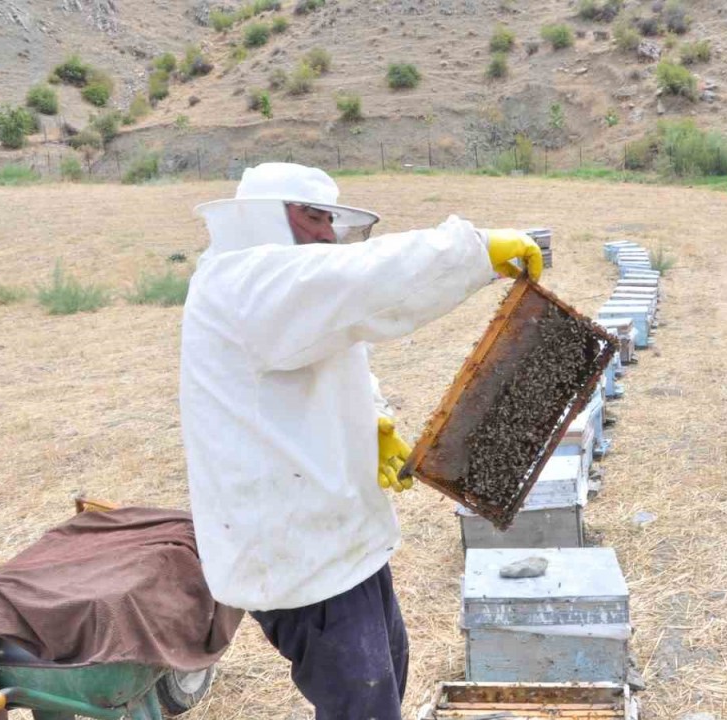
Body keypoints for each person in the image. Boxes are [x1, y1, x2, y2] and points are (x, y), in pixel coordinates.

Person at [180, 163, 542, 719]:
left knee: (387, 670)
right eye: (312, 216)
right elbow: (360, 281)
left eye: (330, 219)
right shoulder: (244, 284)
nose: (326, 233)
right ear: (260, 218)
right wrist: (471, 250)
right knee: (363, 702)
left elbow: (336, 346)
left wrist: (375, 421)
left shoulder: (276, 291)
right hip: (299, 556)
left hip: (341, 538)